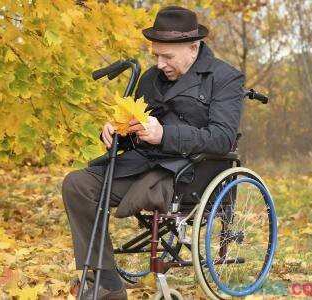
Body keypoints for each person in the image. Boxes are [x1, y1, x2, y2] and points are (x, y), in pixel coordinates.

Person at [62, 5, 245, 300]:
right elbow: (134, 126)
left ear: (193, 48)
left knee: (149, 187)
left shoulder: (225, 78)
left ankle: (135, 202)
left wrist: (165, 134)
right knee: (78, 184)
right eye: (156, 55)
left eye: (167, 56)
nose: (160, 64)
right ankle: (107, 282)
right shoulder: (150, 79)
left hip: (191, 172)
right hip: (143, 164)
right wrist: (116, 131)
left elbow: (222, 139)